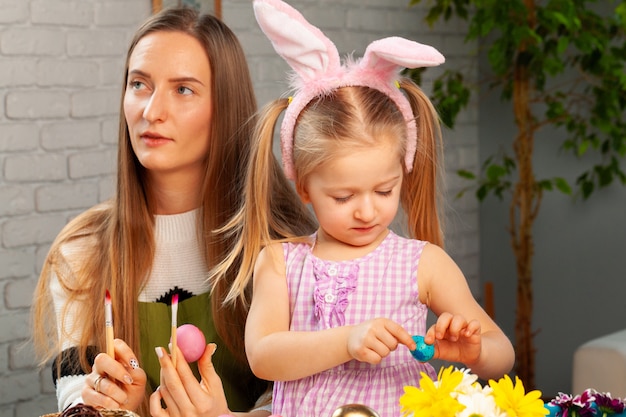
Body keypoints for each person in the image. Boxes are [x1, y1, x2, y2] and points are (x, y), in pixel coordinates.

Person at [223, 1, 517, 416]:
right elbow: (264, 355)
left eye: (384, 190)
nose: (367, 212)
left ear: (403, 170)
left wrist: (473, 350)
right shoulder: (281, 262)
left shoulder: (423, 263)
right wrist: (346, 341)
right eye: (343, 197)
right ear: (304, 187)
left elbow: (502, 352)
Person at [31, 6, 316, 417]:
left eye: (183, 89)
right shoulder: (80, 252)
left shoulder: (285, 246)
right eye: (139, 84)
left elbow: (313, 397)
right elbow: (76, 396)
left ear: (225, 107)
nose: (151, 111)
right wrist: (118, 408)